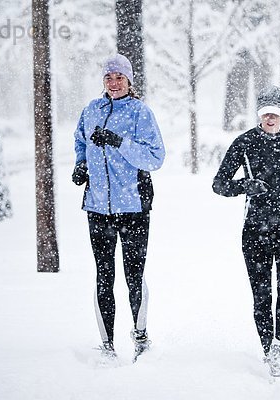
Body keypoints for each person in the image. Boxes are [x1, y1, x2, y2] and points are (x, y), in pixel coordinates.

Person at [212, 85, 280, 377]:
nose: (270, 117)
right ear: (259, 114)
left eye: (275, 112)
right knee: (261, 295)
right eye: (265, 112)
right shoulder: (245, 142)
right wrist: (244, 185)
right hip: (255, 231)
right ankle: (266, 348)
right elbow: (219, 183)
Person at [71, 54, 165, 360]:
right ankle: (107, 344)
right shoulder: (91, 110)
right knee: (103, 274)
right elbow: (80, 142)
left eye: (119, 78)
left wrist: (118, 141)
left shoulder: (140, 113)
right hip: (98, 207)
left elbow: (155, 157)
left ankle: (140, 337)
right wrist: (81, 165)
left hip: (133, 207)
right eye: (108, 78)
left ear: (129, 80)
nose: (113, 83)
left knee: (134, 275)